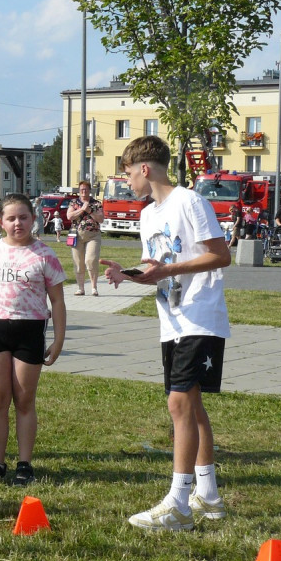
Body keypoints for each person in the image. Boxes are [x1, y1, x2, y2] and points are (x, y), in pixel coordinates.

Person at [102, 135, 230, 532]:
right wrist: (129, 275)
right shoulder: (147, 216)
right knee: (190, 405)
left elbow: (220, 255)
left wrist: (168, 271)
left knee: (179, 406)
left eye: (127, 172)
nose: (126, 182)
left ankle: (178, 504)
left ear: (144, 168)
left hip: (200, 316)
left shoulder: (189, 201)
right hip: (170, 320)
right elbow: (156, 270)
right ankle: (208, 496)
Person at [0, 193, 66, 485]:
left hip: (30, 331)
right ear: (0, 222)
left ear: (33, 220)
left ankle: (24, 465)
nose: (17, 223)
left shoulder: (45, 254)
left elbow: (58, 301)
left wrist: (58, 340)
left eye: (23, 217)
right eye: (11, 218)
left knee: (24, 400)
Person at [67, 180, 104, 296]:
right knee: (78, 262)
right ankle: (80, 288)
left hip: (93, 235)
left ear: (89, 191)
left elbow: (101, 219)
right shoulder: (74, 202)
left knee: (91, 260)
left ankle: (94, 287)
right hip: (76, 235)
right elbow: (69, 216)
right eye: (81, 189)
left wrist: (89, 210)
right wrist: (82, 209)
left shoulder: (96, 203)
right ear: (79, 191)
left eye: (86, 189)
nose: (83, 191)